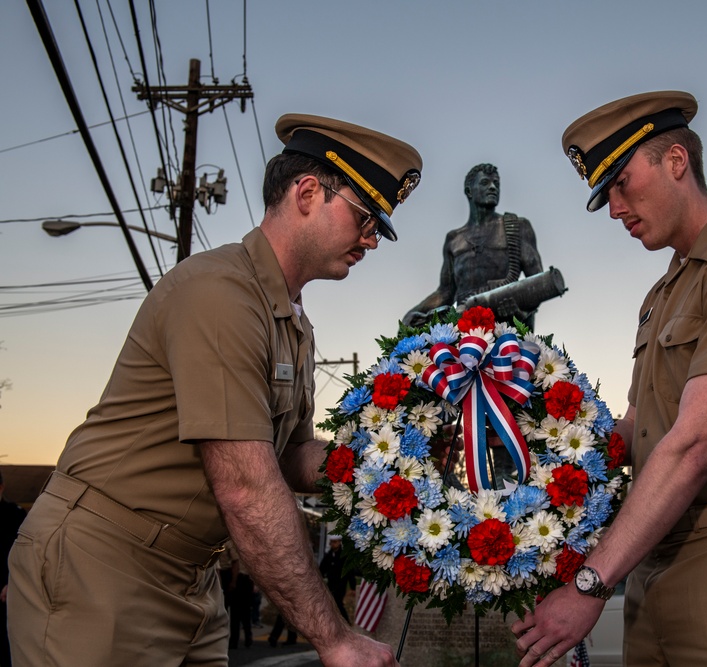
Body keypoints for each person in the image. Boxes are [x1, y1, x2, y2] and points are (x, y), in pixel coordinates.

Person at [7, 114, 422, 667]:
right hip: (103, 566)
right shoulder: (221, 294)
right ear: (306, 193)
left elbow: (291, 457)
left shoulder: (291, 321)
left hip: (193, 578)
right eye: (366, 216)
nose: (372, 238)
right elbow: (248, 487)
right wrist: (335, 638)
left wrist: (391, 459)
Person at [512, 91, 707, 666]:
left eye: (623, 183)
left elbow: (696, 443)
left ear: (676, 162)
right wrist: (537, 453)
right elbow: (639, 427)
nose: (614, 209)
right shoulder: (666, 291)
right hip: (650, 555)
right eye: (605, 195)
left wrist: (589, 587)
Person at [402, 163, 544, 328]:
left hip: (507, 328)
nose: (493, 187)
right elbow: (446, 291)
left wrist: (521, 310)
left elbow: (538, 284)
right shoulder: (454, 239)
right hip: (463, 327)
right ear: (469, 191)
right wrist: (413, 313)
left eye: (496, 184)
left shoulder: (517, 226)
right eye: (485, 183)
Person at [0, 471, 26, 667]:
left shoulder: (15, 515)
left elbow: (25, 554)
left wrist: (12, 582)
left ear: (1, 488)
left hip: (7, 593)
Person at [320, 534, 355, 621]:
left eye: (335, 542)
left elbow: (350, 572)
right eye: (332, 542)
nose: (333, 544)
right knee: (331, 604)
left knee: (338, 603)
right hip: (331, 583)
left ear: (339, 542)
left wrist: (352, 587)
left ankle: (346, 622)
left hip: (341, 584)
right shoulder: (328, 556)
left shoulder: (344, 556)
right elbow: (322, 569)